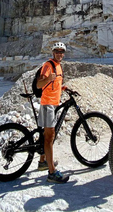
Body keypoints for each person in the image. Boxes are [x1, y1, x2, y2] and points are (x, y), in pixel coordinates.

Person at [36, 42, 69, 183]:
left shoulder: (59, 66)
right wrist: (48, 78)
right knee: (50, 138)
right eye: (57, 51)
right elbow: (39, 84)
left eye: (62, 52)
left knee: (46, 135)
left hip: (53, 103)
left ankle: (43, 161)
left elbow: (54, 85)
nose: (59, 54)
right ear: (53, 53)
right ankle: (52, 173)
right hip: (48, 104)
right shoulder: (48, 66)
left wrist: (62, 88)